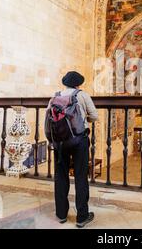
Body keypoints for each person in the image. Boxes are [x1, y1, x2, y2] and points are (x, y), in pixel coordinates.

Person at [46, 71, 98, 227]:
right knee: (81, 176)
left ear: (65, 83)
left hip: (59, 142)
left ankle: (61, 214)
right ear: (78, 84)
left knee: (60, 176)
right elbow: (94, 116)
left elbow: (49, 118)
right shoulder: (82, 95)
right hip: (78, 140)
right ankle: (82, 217)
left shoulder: (55, 96)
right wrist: (83, 119)